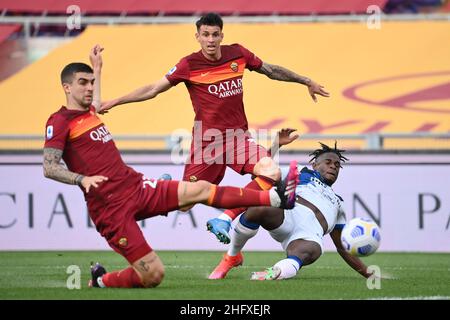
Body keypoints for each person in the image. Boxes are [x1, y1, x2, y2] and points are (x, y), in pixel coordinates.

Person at [42, 45, 300, 289]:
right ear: (66, 87)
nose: (89, 88)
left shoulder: (89, 113)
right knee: (153, 275)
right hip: (110, 208)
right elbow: (49, 167)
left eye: (91, 84)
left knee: (199, 189)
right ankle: (101, 281)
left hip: (137, 186)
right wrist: (81, 180)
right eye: (82, 83)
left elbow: (97, 104)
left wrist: (97, 69)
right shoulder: (60, 121)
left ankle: (274, 198)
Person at [99, 12, 330, 244]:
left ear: (222, 36)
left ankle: (226, 219)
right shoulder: (188, 64)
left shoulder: (237, 54)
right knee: (184, 205)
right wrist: (115, 101)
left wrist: (306, 80)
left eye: (215, 35)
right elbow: (153, 89)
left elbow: (270, 70)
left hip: (238, 139)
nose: (211, 40)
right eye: (206, 35)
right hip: (206, 144)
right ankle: (164, 185)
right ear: (197, 37)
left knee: (271, 172)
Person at [208, 142, 376, 281]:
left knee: (312, 250)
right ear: (315, 164)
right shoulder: (302, 171)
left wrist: (369, 274)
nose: (333, 166)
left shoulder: (339, 203)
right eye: (328, 162)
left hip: (308, 235)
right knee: (256, 207)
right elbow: (262, 174)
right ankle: (232, 257)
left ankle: (273, 273)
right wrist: (276, 145)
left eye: (337, 165)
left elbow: (342, 247)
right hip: (287, 216)